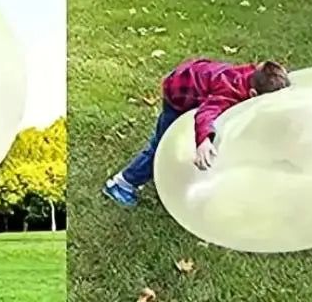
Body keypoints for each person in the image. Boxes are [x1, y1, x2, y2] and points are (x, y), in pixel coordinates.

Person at [103, 59, 290, 207]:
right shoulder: (229, 92)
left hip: (197, 78)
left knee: (200, 137)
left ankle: (179, 171)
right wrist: (203, 141)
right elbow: (206, 113)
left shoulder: (255, 75)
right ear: (252, 95)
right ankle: (121, 184)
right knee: (161, 147)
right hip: (179, 94)